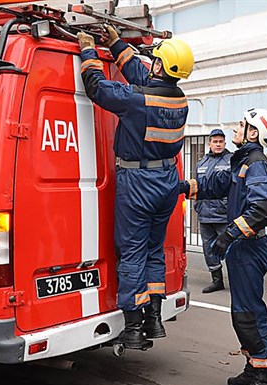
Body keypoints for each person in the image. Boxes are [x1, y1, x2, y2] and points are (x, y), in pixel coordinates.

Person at [76, 27, 193, 350]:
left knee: (132, 252)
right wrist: (116, 44)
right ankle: (154, 317)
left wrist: (88, 51)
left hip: (138, 183)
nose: (151, 63)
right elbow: (143, 76)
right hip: (167, 181)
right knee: (153, 249)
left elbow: (96, 88)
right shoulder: (178, 100)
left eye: (155, 60)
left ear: (160, 67)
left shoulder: (137, 101)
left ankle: (132, 327)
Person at [180, 108, 267, 385]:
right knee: (241, 314)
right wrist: (183, 187)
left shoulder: (256, 163)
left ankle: (263, 380)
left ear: (253, 133)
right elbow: (216, 185)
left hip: (249, 247)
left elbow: (261, 210)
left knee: (249, 315)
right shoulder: (242, 161)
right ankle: (253, 366)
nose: (236, 128)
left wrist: (228, 235)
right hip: (241, 247)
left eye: (242, 125)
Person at [194, 129, 233, 293]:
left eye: (221, 142)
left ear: (225, 143)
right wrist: (198, 206)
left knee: (231, 250)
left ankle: (237, 281)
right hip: (205, 215)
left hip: (223, 215)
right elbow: (197, 186)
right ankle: (216, 280)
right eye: (215, 142)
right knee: (209, 250)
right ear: (209, 144)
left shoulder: (231, 160)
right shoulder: (201, 163)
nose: (218, 144)